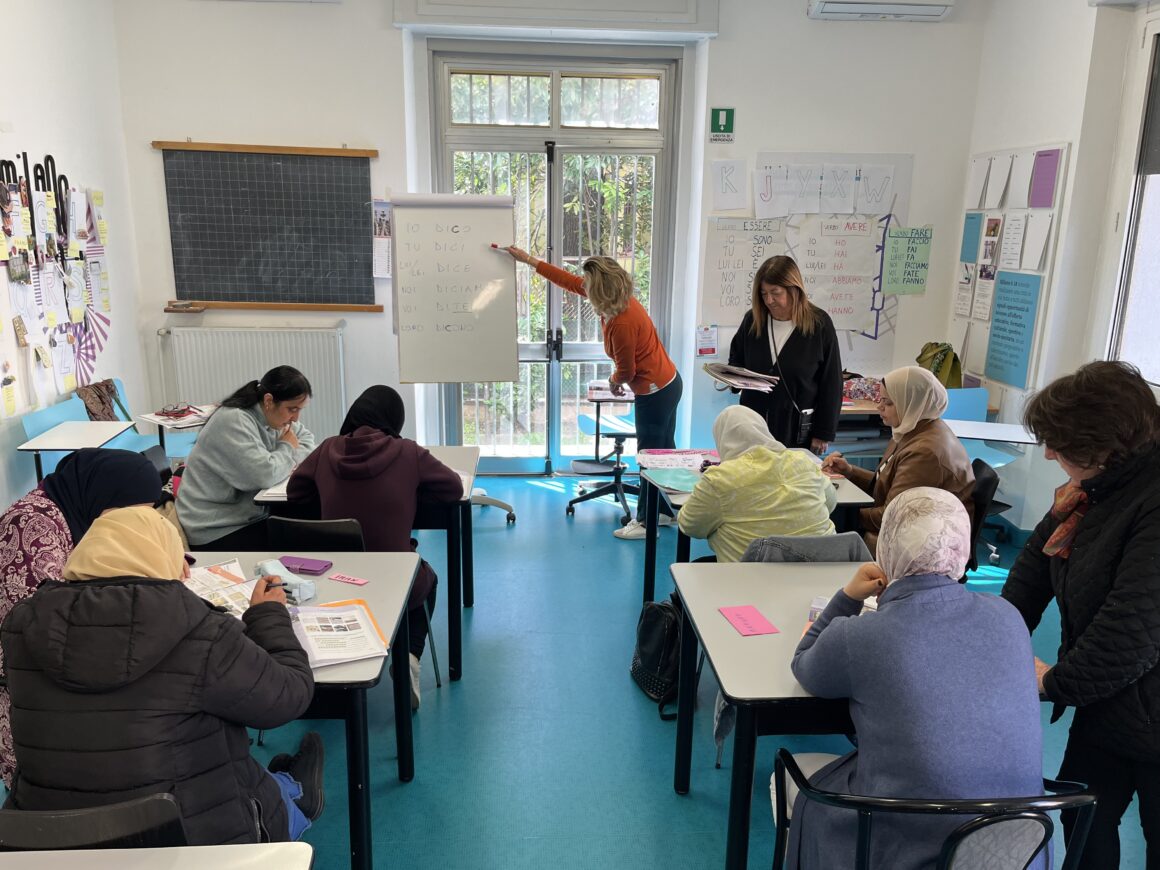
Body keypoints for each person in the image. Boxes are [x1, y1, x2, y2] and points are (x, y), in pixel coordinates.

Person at [0, 505, 322, 844]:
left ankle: (287, 788)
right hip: (188, 838)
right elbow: (287, 696)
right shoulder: (201, 630)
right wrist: (269, 615)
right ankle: (296, 796)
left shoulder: (21, 626)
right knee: (251, 777)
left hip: (50, 839)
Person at [783, 487, 1044, 870]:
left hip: (902, 842)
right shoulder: (1008, 616)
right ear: (962, 549)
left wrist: (847, 597)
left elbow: (804, 665)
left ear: (886, 550)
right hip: (1016, 846)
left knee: (799, 777)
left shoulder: (863, 636)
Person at [1001, 361, 1160, 869]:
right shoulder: (1092, 490)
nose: (1048, 453)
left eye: (1060, 442)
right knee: (1083, 818)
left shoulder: (1151, 501)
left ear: (1107, 444)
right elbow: (1033, 567)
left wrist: (1053, 683)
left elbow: (1131, 629)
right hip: (1113, 705)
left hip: (1146, 705)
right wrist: (991, 639)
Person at [287, 385, 463, 710]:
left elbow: (294, 492)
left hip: (333, 581)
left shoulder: (326, 449)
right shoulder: (408, 452)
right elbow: (453, 488)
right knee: (428, 579)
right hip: (395, 581)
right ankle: (409, 657)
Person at [0, 448, 162, 787]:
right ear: (106, 495)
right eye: (131, 514)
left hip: (63, 665)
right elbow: (41, 632)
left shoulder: (75, 513)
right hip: (27, 690)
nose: (134, 526)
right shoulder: (31, 527)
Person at [497, 246, 682, 540]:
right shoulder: (617, 300)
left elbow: (627, 371)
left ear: (600, 289)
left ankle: (646, 524)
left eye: (588, 283)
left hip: (655, 392)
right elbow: (567, 281)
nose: (583, 286)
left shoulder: (622, 321)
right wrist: (529, 260)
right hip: (668, 383)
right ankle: (663, 512)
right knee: (662, 453)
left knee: (650, 457)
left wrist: (613, 380)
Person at [822, 365, 973, 556]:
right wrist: (849, 471)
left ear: (911, 402)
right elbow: (888, 482)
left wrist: (840, 513)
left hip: (925, 545)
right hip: (909, 527)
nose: (879, 407)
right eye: (880, 400)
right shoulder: (913, 428)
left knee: (822, 528)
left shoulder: (925, 453)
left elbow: (892, 517)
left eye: (888, 402)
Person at [177, 365, 316, 550]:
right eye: (292, 409)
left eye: (299, 410)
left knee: (311, 521)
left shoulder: (275, 417)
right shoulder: (234, 420)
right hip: (215, 527)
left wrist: (283, 459)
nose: (296, 418)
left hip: (249, 515)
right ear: (269, 400)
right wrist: (287, 448)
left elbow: (308, 441)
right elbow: (265, 475)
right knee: (303, 540)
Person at [677, 406, 835, 562]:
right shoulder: (802, 461)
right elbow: (830, 503)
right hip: (822, 569)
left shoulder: (720, 479)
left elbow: (690, 525)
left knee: (696, 568)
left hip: (754, 573)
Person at [727, 256, 842, 453]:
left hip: (795, 430)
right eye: (763, 293)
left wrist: (823, 433)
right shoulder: (753, 320)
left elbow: (832, 383)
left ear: (794, 289)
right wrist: (732, 378)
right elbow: (737, 358)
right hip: (753, 426)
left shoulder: (819, 325)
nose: (769, 300)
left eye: (775, 293)